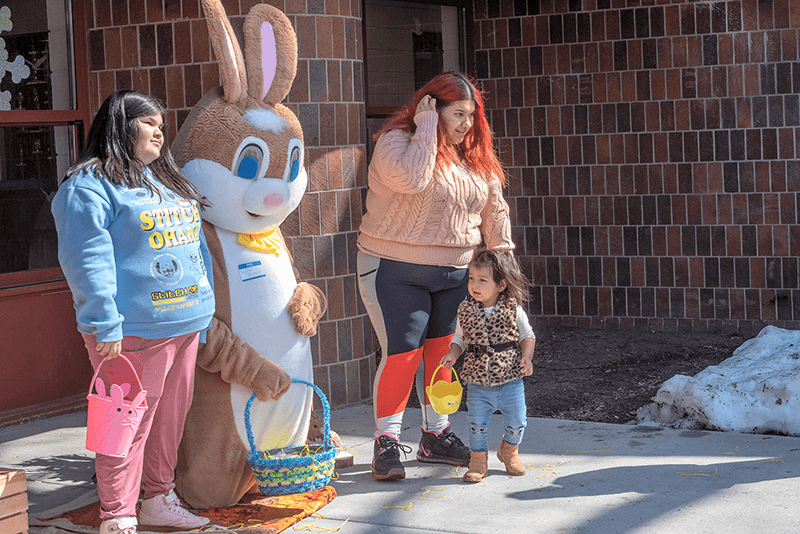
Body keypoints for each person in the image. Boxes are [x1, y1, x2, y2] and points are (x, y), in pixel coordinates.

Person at [52, 90, 215, 534]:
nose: (160, 130)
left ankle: (159, 498)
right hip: (129, 332)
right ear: (119, 127)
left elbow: (196, 247)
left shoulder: (163, 180)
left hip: (185, 322)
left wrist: (207, 308)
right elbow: (87, 262)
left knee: (168, 423)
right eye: (148, 122)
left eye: (162, 122)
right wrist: (104, 322)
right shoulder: (86, 188)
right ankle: (118, 515)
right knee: (121, 426)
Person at [356, 71, 515, 481]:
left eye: (471, 116)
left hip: (456, 273)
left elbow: (493, 212)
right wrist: (426, 127)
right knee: (402, 354)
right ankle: (386, 442)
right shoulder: (396, 142)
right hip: (393, 268)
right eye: (457, 114)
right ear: (431, 107)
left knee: (443, 356)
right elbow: (413, 179)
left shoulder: (474, 156)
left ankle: (436, 434)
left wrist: (501, 269)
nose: (466, 124)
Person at [440, 249, 536, 483]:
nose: (475, 284)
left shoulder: (512, 307)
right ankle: (478, 461)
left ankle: (509, 450)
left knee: (517, 422)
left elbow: (528, 335)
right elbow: (459, 339)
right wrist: (453, 353)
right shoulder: (465, 309)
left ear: (501, 284)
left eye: (483, 280)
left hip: (510, 378)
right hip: (477, 381)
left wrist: (527, 357)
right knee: (476, 425)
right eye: (471, 278)